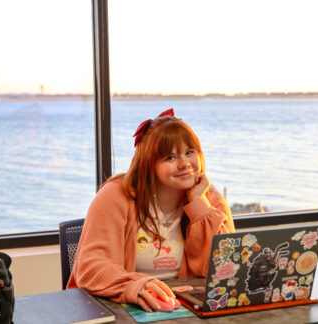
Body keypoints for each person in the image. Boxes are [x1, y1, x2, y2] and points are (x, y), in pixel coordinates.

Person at [67, 108, 235, 312]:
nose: (184, 164)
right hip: (125, 307)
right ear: (148, 164)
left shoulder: (210, 200)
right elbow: (91, 266)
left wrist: (198, 205)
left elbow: (226, 269)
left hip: (184, 310)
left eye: (189, 152)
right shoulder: (115, 196)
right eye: (170, 158)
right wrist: (134, 286)